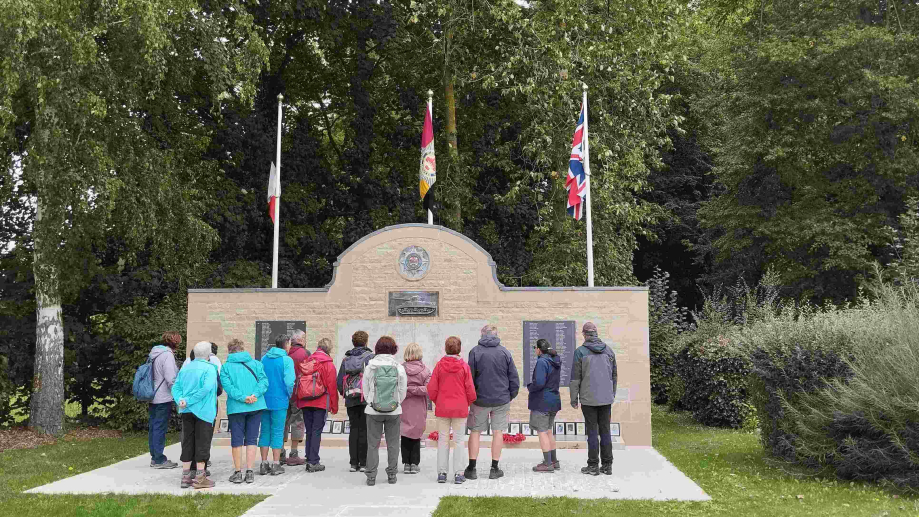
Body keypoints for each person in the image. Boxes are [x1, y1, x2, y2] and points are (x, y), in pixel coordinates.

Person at [465, 324, 519, 480]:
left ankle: (472, 468)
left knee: (475, 432)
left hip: (480, 399)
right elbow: (513, 378)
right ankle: (494, 469)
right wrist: (509, 396)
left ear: (482, 335)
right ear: (496, 335)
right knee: (498, 432)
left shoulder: (475, 352)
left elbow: (470, 378)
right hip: (501, 399)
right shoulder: (504, 352)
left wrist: (472, 397)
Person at [570, 321, 618, 476]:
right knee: (605, 430)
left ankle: (593, 466)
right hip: (606, 398)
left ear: (584, 334)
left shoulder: (580, 352)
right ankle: (607, 465)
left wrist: (573, 398)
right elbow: (614, 376)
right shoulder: (609, 351)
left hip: (588, 399)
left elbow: (575, 378)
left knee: (592, 431)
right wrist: (612, 394)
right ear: (596, 333)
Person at [428, 336, 476, 484]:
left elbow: (432, 389)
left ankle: (442, 473)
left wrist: (438, 401)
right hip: (460, 407)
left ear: (445, 348)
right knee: (459, 440)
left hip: (443, 407)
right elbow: (470, 390)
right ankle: (458, 473)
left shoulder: (439, 365)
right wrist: (466, 402)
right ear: (459, 349)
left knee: (443, 440)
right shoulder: (464, 366)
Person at [220, 338, 269, 484]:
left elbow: (228, 388)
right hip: (256, 405)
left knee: (237, 439)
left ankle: (237, 472)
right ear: (243, 349)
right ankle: (249, 472)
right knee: (252, 438)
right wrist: (254, 395)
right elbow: (264, 382)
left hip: (236, 407)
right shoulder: (256, 364)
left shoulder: (225, 367)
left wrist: (243, 398)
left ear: (230, 351)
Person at [172, 341, 219, 489]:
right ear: (208, 354)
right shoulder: (210, 368)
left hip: (186, 410)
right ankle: (200, 477)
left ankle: (185, 476)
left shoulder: (185, 368)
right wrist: (190, 400)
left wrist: (181, 400)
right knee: (202, 442)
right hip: (204, 412)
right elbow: (207, 388)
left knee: (187, 441)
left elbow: (176, 386)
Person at [362, 336, 408, 486]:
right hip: (394, 411)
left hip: (373, 411)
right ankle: (392, 475)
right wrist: (396, 403)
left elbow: (365, 389)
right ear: (393, 349)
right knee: (393, 444)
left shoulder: (370, 367)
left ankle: (371, 477)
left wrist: (371, 402)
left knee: (373, 445)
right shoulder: (399, 367)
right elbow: (403, 390)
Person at [296, 338, 339, 472]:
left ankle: (309, 457)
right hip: (320, 401)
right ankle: (314, 462)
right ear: (329, 349)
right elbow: (332, 386)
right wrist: (334, 406)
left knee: (309, 430)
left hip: (305, 400)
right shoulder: (328, 364)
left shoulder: (308, 361)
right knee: (316, 431)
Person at [336, 330, 374, 472]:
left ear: (353, 342)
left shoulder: (346, 359)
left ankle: (353, 463)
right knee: (364, 429)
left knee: (353, 429)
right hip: (365, 399)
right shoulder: (370, 357)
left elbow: (339, 381)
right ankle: (363, 463)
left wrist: (345, 393)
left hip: (351, 398)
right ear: (366, 342)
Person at [258, 334, 296, 475]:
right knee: (278, 431)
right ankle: (275, 464)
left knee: (265, 431)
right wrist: (288, 394)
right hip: (280, 400)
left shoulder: (264, 358)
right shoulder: (287, 360)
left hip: (264, 400)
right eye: (290, 343)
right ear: (286, 344)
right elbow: (289, 382)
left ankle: (263, 463)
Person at [527, 339, 562, 473]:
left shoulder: (542, 362)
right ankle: (553, 461)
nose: (534, 350)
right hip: (554, 400)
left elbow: (539, 383)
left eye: (535, 348)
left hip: (542, 401)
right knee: (548, 431)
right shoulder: (555, 360)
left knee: (542, 432)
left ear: (539, 349)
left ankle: (547, 464)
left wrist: (530, 387)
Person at [148, 332, 180, 469]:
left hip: (153, 395)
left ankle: (155, 457)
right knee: (160, 428)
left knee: (154, 427)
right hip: (163, 397)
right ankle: (159, 459)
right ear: (176, 343)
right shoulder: (167, 355)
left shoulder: (154, 353)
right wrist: (178, 395)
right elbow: (170, 378)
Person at [400, 343, 431, 475]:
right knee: (416, 435)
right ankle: (414, 463)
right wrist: (415, 389)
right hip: (419, 406)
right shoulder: (425, 370)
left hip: (404, 405)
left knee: (405, 434)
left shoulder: (400, 369)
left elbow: (397, 388)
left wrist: (408, 389)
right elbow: (429, 389)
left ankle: (406, 464)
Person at [282, 330, 310, 466]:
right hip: (298, 393)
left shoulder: (284, 353)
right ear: (302, 339)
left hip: (283, 394)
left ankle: (280, 452)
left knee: (283, 422)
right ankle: (294, 453)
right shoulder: (304, 354)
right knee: (298, 421)